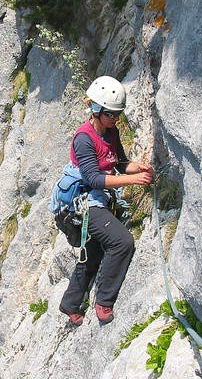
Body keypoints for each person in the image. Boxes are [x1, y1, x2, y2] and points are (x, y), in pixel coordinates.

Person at [58, 76, 155, 325]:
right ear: (97, 110)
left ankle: (70, 303)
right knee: (122, 242)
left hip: (98, 198)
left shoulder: (111, 131)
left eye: (118, 114)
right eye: (111, 114)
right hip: (84, 202)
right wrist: (133, 181)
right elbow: (94, 178)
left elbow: (119, 163)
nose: (116, 119)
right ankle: (104, 301)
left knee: (93, 252)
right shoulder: (84, 139)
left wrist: (139, 169)